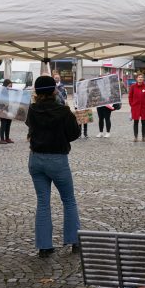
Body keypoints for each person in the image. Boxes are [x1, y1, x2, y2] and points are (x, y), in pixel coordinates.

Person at [25, 75, 81, 257]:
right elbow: (73, 135)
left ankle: (44, 246)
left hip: (36, 159)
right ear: (54, 90)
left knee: (43, 203)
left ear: (37, 92)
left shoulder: (32, 109)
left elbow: (29, 127)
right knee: (69, 200)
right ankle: (73, 240)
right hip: (57, 159)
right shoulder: (63, 111)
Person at [128, 74, 145, 142]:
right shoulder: (133, 86)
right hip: (135, 106)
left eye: (142, 77)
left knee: (144, 122)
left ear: (143, 79)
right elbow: (130, 96)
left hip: (144, 107)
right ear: (136, 79)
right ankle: (135, 137)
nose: (140, 78)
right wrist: (131, 104)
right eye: (139, 77)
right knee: (136, 121)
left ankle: (143, 137)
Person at [0, 79, 15, 144]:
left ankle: (7, 138)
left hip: (9, 109)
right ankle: (2, 139)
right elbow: (0, 101)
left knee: (8, 124)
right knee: (3, 124)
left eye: (11, 86)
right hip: (3, 109)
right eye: (9, 86)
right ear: (6, 85)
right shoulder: (2, 91)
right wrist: (1, 110)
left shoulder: (10, 92)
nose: (10, 87)